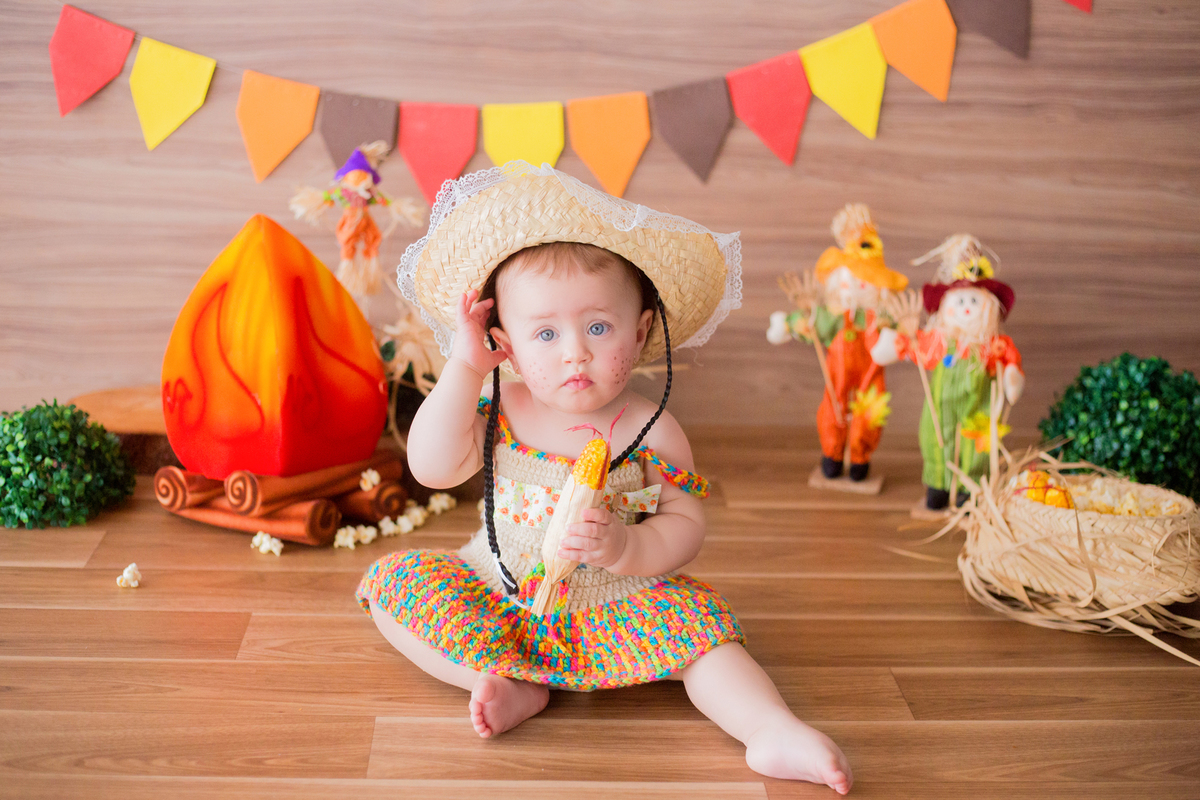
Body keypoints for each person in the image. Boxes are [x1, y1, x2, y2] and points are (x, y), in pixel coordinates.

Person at [356, 162, 853, 794]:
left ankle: (770, 729)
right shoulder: (501, 407)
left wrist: (628, 547)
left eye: (597, 327)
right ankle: (511, 680)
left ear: (641, 330)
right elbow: (431, 467)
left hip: (619, 601)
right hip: (502, 586)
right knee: (397, 590)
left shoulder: (652, 431)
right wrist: (462, 369)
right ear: (503, 342)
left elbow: (683, 521)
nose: (575, 352)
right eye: (545, 332)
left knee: (708, 638)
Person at [871, 234, 1024, 510]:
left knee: (977, 444)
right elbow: (913, 348)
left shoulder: (991, 345)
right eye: (960, 302)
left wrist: (1011, 378)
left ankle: (969, 488)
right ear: (946, 308)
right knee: (935, 437)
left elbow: (1009, 362)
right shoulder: (940, 340)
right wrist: (897, 341)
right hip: (940, 408)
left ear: (989, 308)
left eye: (974, 302)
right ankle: (938, 483)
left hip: (977, 409)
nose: (966, 308)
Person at [768, 204, 908, 482]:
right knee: (833, 404)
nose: (857, 287)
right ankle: (832, 454)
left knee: (869, 410)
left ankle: (859, 456)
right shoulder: (833, 314)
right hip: (838, 369)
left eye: (866, 282)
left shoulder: (880, 316)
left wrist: (899, 336)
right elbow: (814, 321)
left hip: (871, 370)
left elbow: (900, 333)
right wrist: (794, 323)